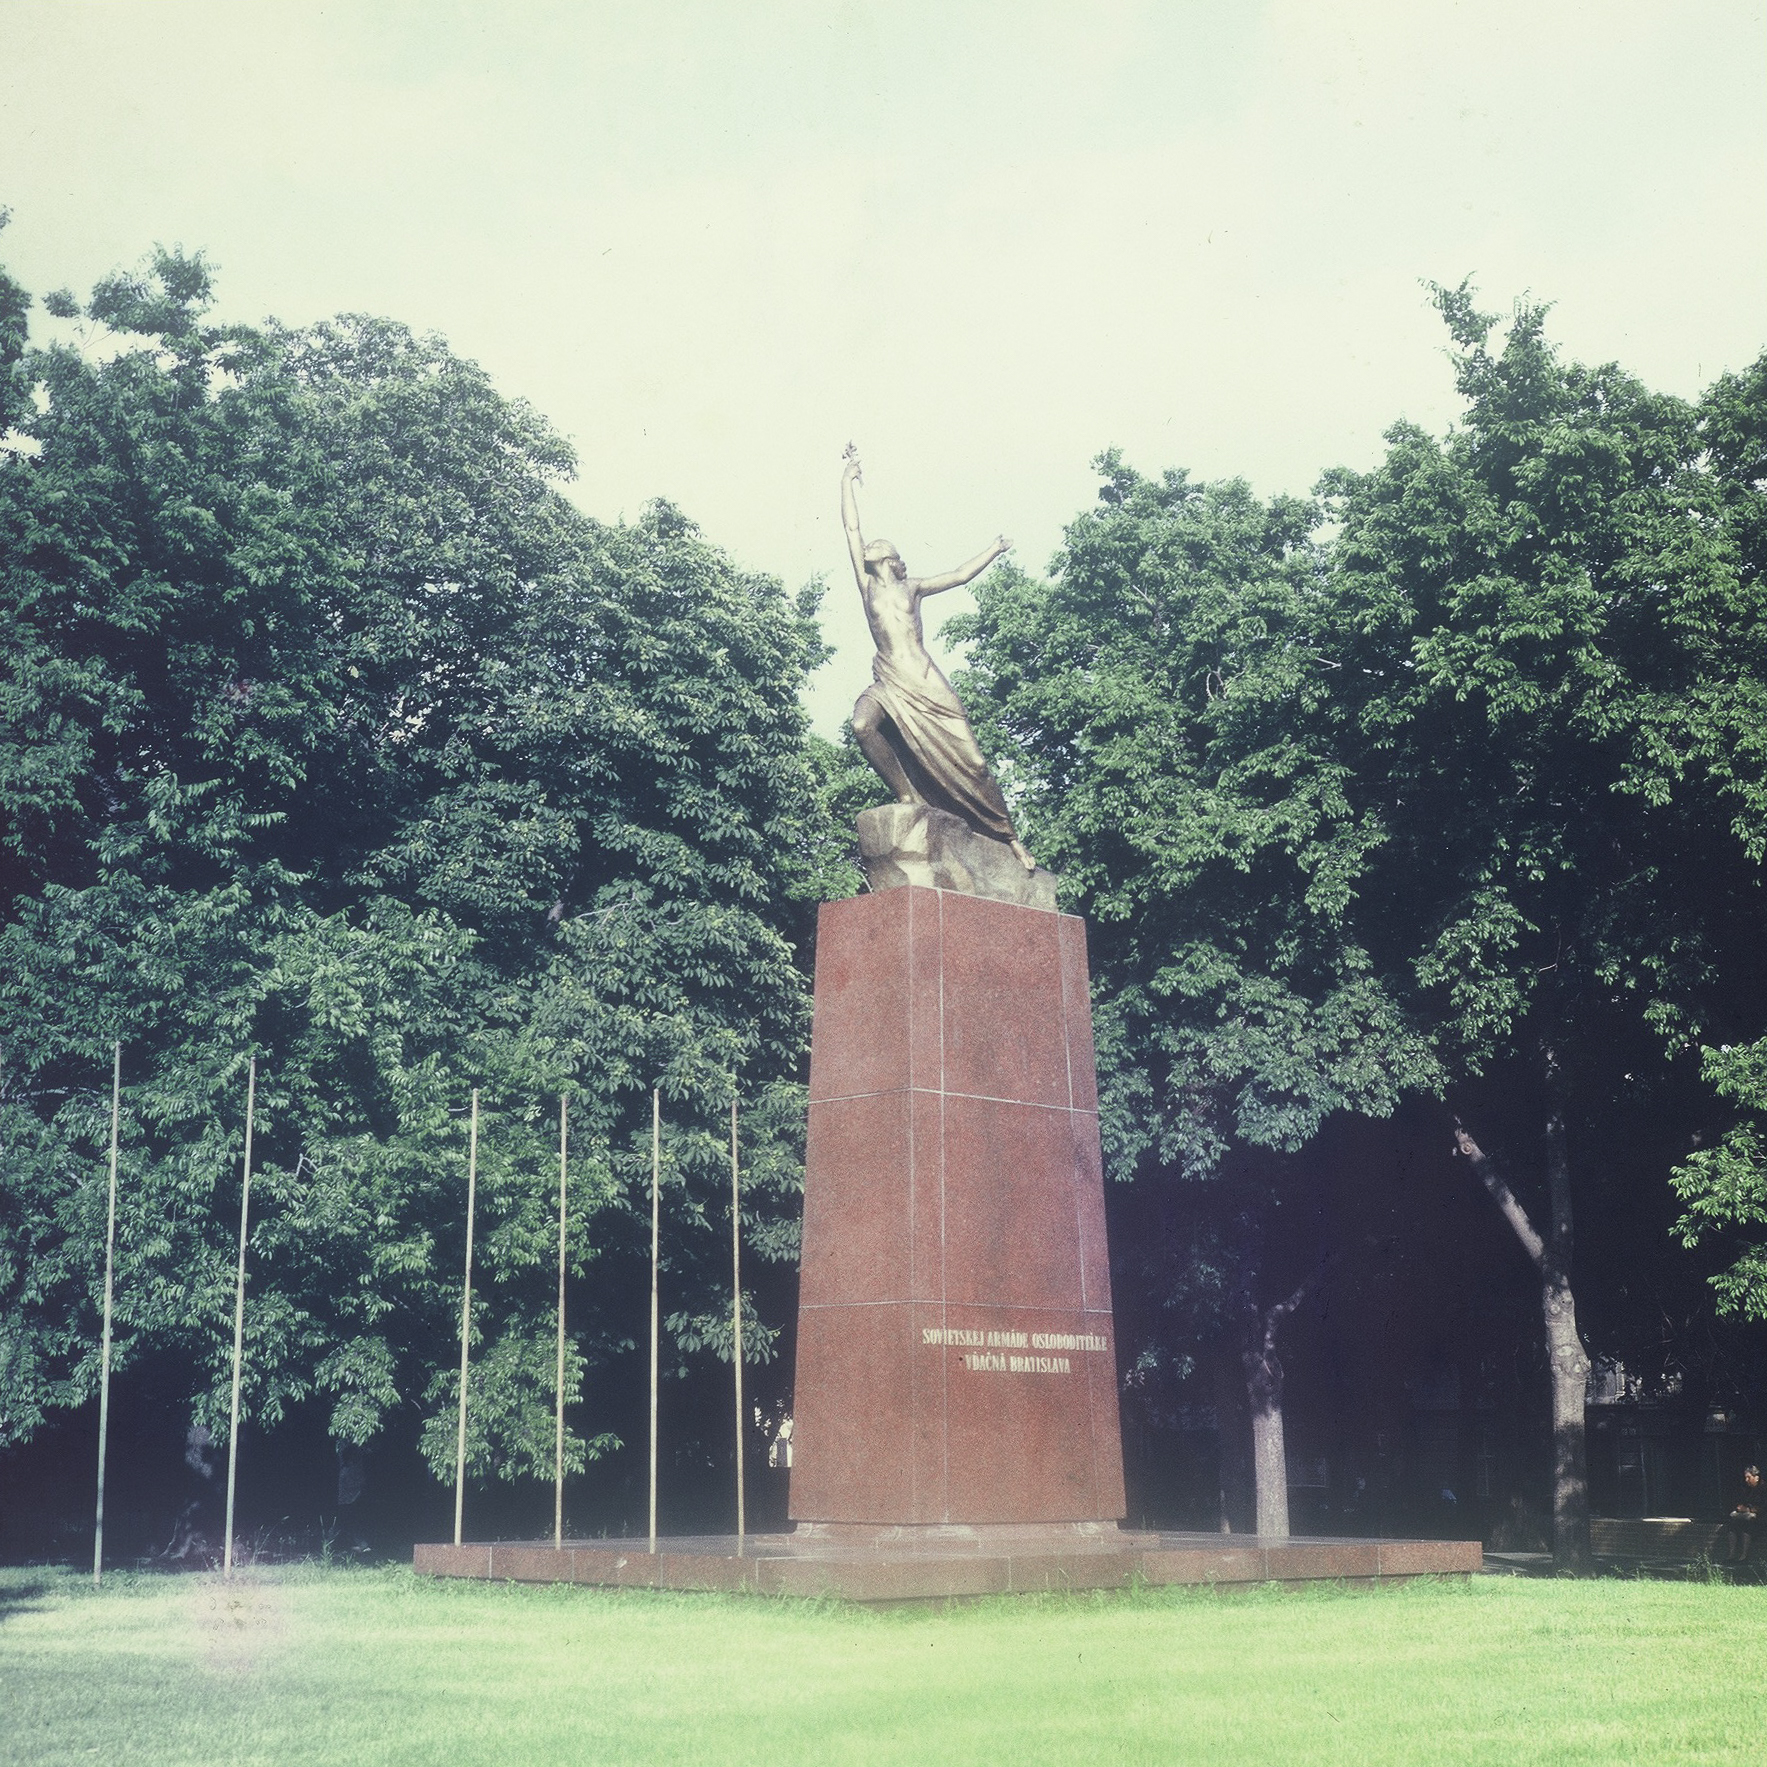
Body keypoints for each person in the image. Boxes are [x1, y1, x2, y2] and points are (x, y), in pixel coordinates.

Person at [840, 444, 1036, 872]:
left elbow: (960, 575)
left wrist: (994, 549)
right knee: (862, 725)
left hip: (926, 681)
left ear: (890, 558)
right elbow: (851, 529)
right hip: (889, 681)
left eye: (876, 546)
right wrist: (847, 480)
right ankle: (906, 794)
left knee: (976, 763)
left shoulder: (912, 588)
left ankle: (1010, 838)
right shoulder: (867, 587)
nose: (868, 546)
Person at [1719, 1463, 1759, 1568]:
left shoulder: (1763, 1488)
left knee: (1748, 1524)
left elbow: (1762, 1507)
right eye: (1745, 1477)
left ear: (1756, 1477)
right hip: (1746, 1516)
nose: (1746, 1480)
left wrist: (1748, 1509)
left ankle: (1744, 1555)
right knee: (1732, 1523)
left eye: (1748, 1477)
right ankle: (1731, 1554)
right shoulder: (1747, 1489)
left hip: (1759, 1518)